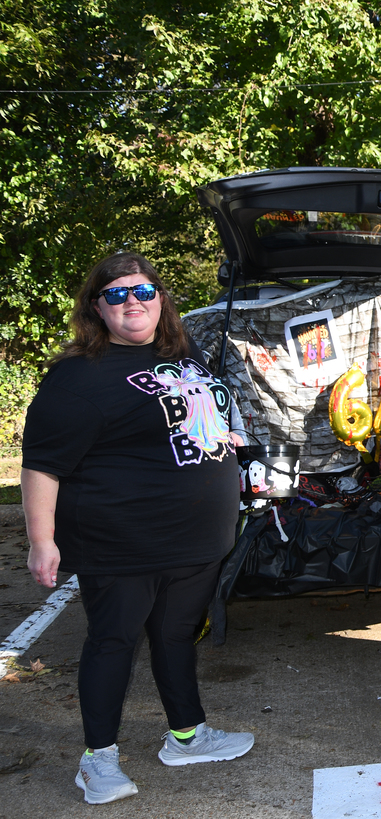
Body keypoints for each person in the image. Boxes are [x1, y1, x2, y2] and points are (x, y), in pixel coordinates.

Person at [22, 252, 253, 805]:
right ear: (97, 308)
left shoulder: (181, 352)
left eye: (144, 292)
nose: (133, 303)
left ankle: (187, 736)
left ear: (161, 300)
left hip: (197, 540)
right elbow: (41, 466)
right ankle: (97, 760)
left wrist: (223, 438)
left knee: (175, 636)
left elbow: (191, 416)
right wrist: (41, 540)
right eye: (117, 294)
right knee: (113, 642)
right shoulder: (77, 378)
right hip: (123, 542)